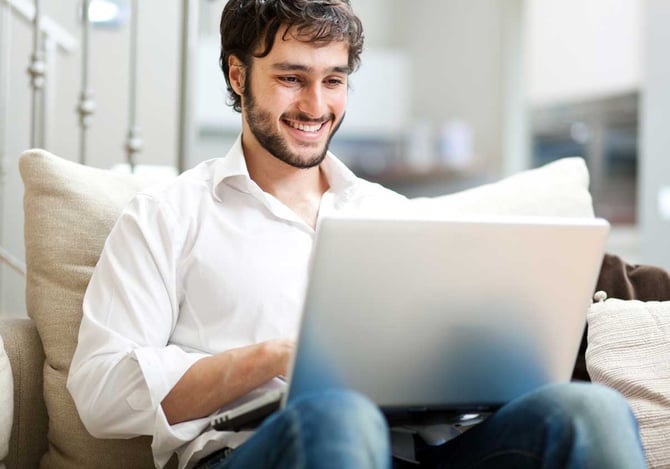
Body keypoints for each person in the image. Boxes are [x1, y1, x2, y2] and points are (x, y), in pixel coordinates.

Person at [67, 1, 647, 468]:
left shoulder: (391, 214)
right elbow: (99, 393)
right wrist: (270, 360)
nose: (316, 105)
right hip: (253, 451)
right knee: (339, 414)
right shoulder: (166, 216)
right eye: (292, 78)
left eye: (334, 80)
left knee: (587, 412)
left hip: (415, 449)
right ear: (238, 75)